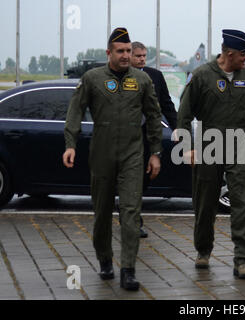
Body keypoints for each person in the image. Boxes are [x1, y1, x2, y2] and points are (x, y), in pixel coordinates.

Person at [63, 27, 163, 290]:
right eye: (120, 51)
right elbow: (75, 111)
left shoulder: (142, 81)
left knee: (131, 211)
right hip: (102, 153)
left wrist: (155, 153)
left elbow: (154, 116)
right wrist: (70, 144)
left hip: (132, 153)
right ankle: (105, 259)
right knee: (102, 212)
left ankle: (128, 268)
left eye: (129, 51)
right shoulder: (93, 78)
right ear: (109, 52)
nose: (126, 56)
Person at [176, 29, 245, 279]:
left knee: (243, 203)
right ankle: (203, 251)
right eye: (243, 54)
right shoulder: (202, 75)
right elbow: (184, 113)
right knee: (205, 203)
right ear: (228, 53)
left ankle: (242, 260)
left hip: (240, 144)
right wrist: (187, 148)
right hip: (207, 144)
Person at [131, 41, 177, 238]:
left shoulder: (155, 76)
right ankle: (133, 221)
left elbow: (166, 104)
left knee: (142, 181)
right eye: (138, 56)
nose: (142, 59)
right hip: (124, 137)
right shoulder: (120, 77)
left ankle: (130, 216)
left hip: (147, 137)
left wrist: (178, 128)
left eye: (144, 55)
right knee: (130, 182)